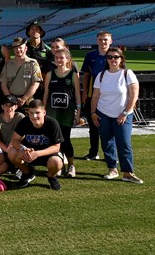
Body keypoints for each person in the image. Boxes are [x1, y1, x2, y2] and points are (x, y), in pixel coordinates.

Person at [90, 47, 143, 184]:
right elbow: (95, 96)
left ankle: (127, 172)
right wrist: (93, 113)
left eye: (116, 57)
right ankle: (112, 168)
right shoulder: (101, 75)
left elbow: (134, 96)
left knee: (124, 143)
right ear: (106, 60)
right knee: (107, 142)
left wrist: (125, 112)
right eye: (110, 57)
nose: (113, 59)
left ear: (121, 59)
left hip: (123, 114)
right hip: (103, 113)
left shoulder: (127, 73)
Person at [9, 100, 64, 191]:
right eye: (31, 113)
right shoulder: (25, 122)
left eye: (37, 113)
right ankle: (27, 173)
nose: (34, 116)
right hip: (29, 153)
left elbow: (56, 147)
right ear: (28, 113)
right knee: (12, 152)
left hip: (47, 154)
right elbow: (14, 140)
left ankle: (51, 177)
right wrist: (23, 148)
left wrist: (37, 153)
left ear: (44, 112)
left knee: (57, 162)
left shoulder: (52, 123)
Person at [43, 47, 81, 177]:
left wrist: (78, 112)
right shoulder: (50, 74)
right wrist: (43, 109)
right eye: (57, 58)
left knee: (65, 140)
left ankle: (71, 165)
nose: (59, 60)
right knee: (54, 140)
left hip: (67, 112)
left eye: (62, 58)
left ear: (68, 59)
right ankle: (60, 165)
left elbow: (77, 95)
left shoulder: (72, 75)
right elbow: (46, 94)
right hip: (52, 113)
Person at [81, 30, 113, 160]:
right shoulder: (90, 55)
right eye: (100, 39)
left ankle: (110, 155)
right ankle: (93, 152)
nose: (103, 42)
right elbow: (86, 75)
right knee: (93, 127)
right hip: (92, 95)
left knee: (109, 128)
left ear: (111, 41)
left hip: (109, 97)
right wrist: (84, 93)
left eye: (105, 39)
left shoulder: (115, 55)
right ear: (97, 41)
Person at [0, 37, 43, 110]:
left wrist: (24, 98)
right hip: (11, 103)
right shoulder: (8, 64)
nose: (18, 50)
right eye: (15, 48)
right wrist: (11, 99)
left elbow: (35, 83)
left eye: (20, 47)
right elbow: (3, 84)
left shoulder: (33, 63)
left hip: (27, 102)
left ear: (26, 48)